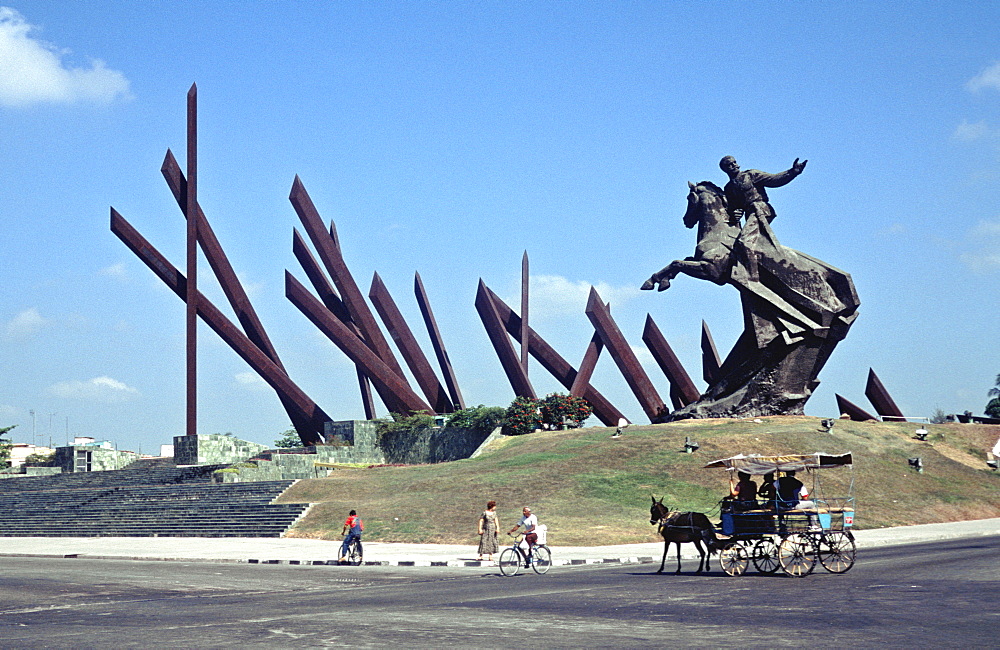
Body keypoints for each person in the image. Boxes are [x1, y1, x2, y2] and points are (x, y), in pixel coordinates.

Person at [719, 155, 807, 225]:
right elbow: (734, 207)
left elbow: (775, 180)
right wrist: (735, 213)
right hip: (749, 215)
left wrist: (793, 172)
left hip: (761, 210)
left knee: (746, 239)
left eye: (735, 162)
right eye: (729, 164)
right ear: (724, 169)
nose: (734, 165)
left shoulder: (751, 174)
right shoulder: (728, 188)